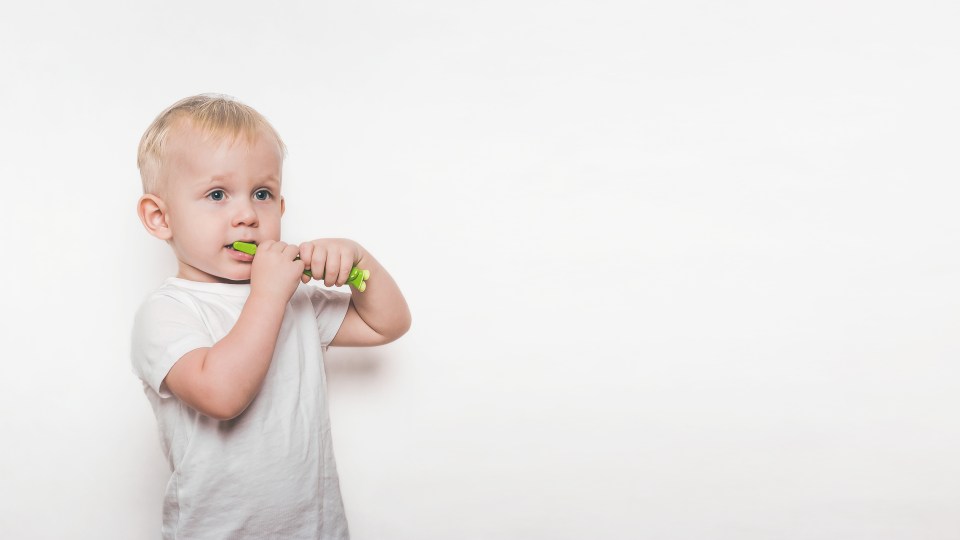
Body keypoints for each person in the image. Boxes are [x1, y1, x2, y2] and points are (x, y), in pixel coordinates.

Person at [130, 93, 411, 539]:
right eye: (217, 194)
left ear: (281, 208)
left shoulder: (294, 299)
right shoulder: (167, 313)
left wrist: (361, 262)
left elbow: (387, 324)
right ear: (160, 218)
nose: (246, 215)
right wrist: (268, 294)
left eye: (262, 194)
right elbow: (221, 396)